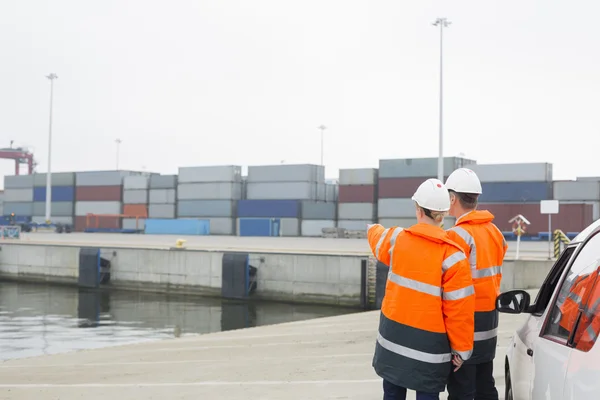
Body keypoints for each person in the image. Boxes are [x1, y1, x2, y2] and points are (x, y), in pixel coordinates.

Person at [367, 178, 475, 400]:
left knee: (392, 394)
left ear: (418, 209)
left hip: (393, 342)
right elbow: (459, 311)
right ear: (443, 214)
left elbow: (377, 238)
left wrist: (372, 228)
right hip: (430, 352)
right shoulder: (453, 256)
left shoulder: (397, 238)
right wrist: (461, 350)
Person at [444, 168, 508, 400]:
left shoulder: (456, 236)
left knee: (462, 390)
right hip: (489, 323)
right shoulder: (495, 232)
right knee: (485, 386)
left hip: (465, 325)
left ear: (452, 198)